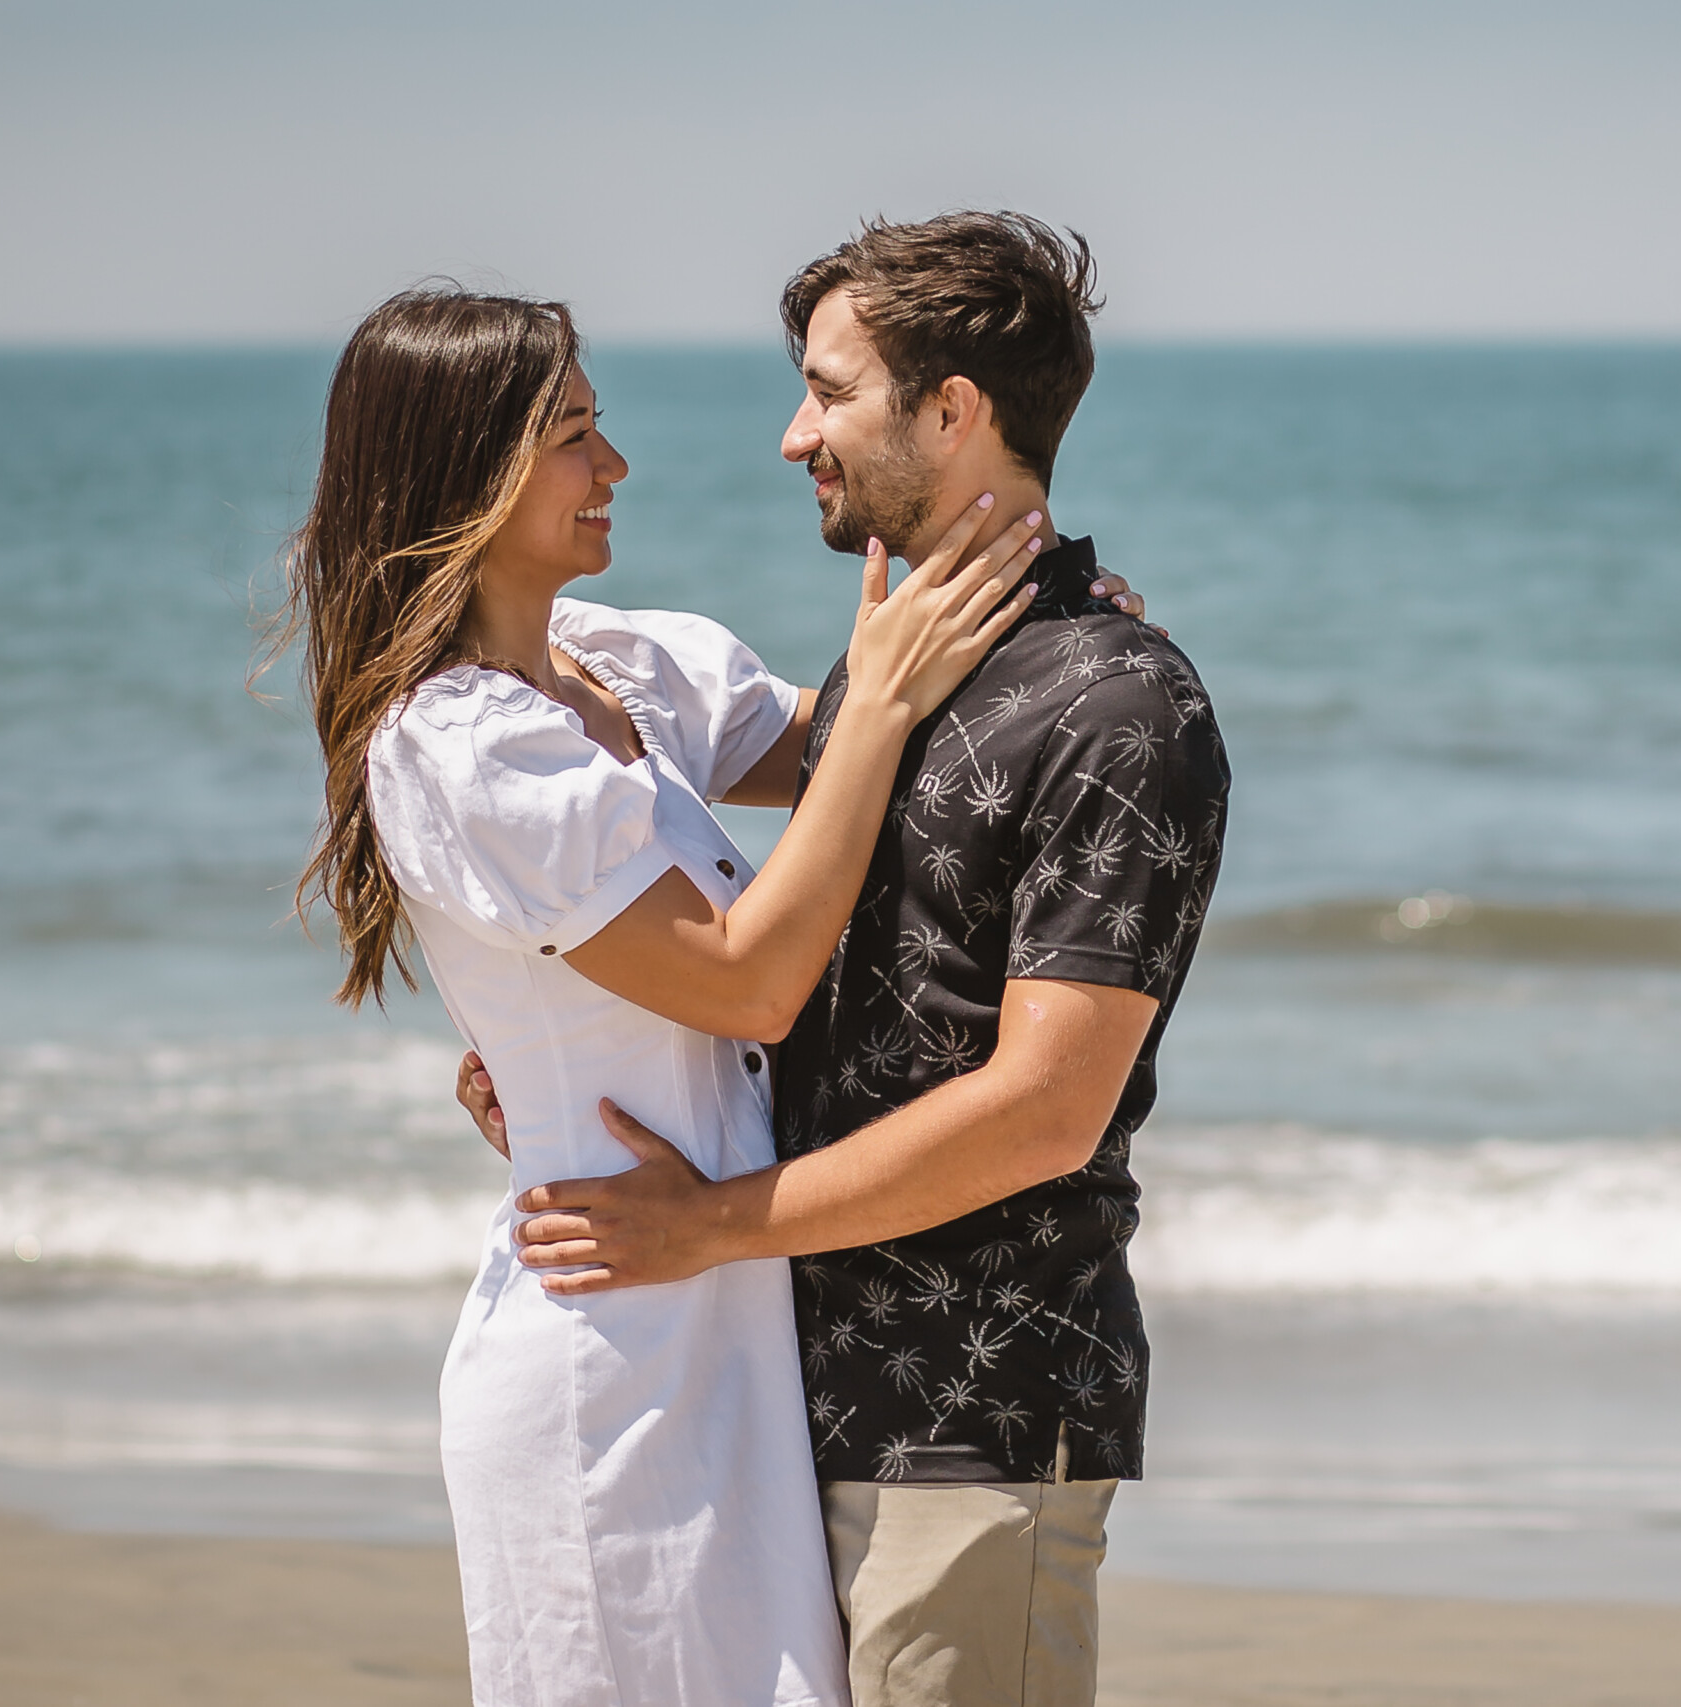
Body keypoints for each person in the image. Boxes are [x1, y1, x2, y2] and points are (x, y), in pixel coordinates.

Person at [278, 284, 1139, 1706]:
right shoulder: (462, 745)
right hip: (612, 1354)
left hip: (729, 1318)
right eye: (571, 436)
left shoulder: (620, 667)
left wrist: (1060, 641)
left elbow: (904, 754)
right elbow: (749, 982)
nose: (612, 467)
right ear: (463, 477)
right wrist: (873, 700)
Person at [457, 212, 1230, 1707]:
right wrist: (564, 1053)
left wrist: (711, 1224)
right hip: (792, 1396)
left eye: (831, 390)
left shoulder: (1122, 707)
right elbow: (776, 956)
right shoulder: (901, 688)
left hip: (974, 1409)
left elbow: (1043, 1110)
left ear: (953, 412)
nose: (794, 433)